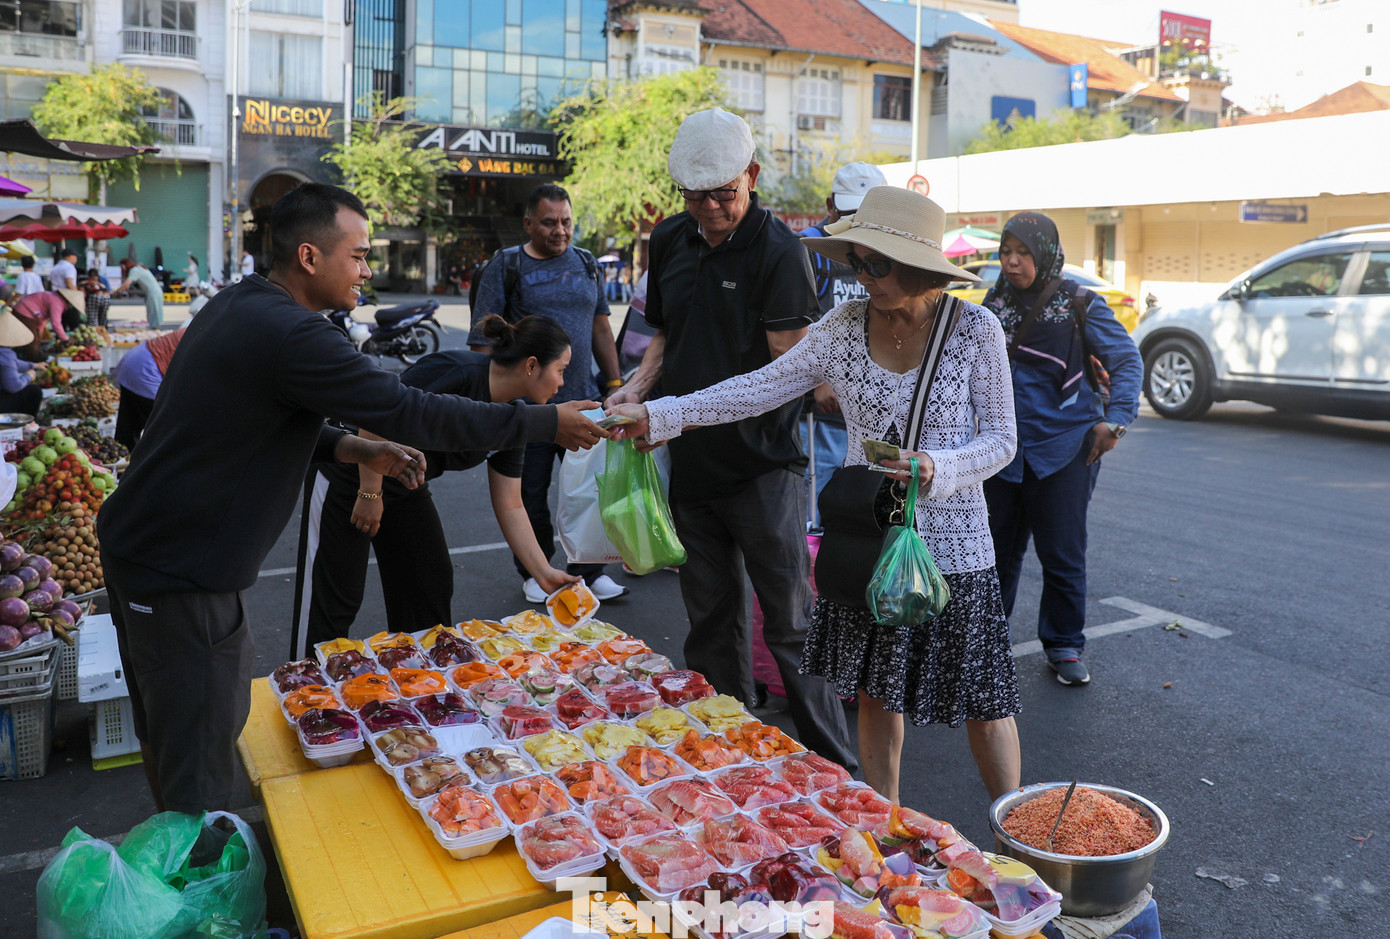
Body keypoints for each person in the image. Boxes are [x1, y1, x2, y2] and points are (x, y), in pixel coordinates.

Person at [96, 182, 609, 815]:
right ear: (310, 257)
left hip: (150, 550)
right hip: (178, 569)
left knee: (175, 735)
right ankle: (198, 899)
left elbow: (253, 421)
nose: (368, 270)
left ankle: (179, 869)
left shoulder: (245, 305)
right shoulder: (293, 333)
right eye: (360, 255)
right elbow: (407, 409)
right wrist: (546, 423)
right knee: (197, 755)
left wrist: (356, 449)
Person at [609, 186, 1021, 801]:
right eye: (856, 260)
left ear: (918, 266)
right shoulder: (842, 328)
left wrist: (937, 466)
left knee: (984, 703)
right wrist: (660, 416)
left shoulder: (975, 330)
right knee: (877, 695)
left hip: (955, 549)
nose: (862, 276)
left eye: (875, 264)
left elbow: (1001, 441)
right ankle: (883, 834)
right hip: (866, 544)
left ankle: (1015, 838)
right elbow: (757, 388)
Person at [608, 107, 856, 771]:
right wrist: (638, 388)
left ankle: (836, 766)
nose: (712, 212)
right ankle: (728, 757)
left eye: (725, 196)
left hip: (765, 468)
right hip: (691, 466)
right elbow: (666, 335)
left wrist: (677, 412)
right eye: (697, 199)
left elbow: (787, 371)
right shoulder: (669, 242)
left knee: (791, 625)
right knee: (710, 623)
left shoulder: (781, 251)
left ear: (751, 177)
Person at [290, 315, 584, 658]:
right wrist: (370, 492)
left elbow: (511, 504)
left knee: (429, 583)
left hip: (404, 484)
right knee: (335, 599)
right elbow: (377, 414)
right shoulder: (456, 371)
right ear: (532, 365)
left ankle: (419, 686)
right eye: (561, 370)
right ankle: (303, 687)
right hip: (351, 470)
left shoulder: (516, 418)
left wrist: (544, 572)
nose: (563, 383)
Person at [981, 212, 1142, 688]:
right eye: (1006, 252)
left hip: (1064, 449)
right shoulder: (994, 303)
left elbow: (1126, 359)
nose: (1012, 262)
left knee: (1063, 553)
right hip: (1002, 451)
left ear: (1045, 254)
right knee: (995, 555)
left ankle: (1064, 644)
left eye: (1023, 253)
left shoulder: (1080, 302)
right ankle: (987, 641)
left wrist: (1117, 422)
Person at [468, 182, 627, 603]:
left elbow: (599, 326)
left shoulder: (586, 262)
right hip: (530, 407)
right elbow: (484, 340)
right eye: (549, 222)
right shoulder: (507, 265)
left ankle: (590, 572)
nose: (560, 230)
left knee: (590, 491)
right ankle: (537, 571)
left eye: (567, 222)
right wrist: (488, 404)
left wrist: (613, 383)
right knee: (530, 492)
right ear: (528, 224)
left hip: (584, 398)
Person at [799, 161, 888, 505]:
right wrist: (821, 379)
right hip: (821, 421)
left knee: (873, 512)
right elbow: (794, 325)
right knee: (814, 514)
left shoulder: (889, 250)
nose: (856, 226)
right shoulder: (808, 249)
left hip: (875, 413)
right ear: (830, 206)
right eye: (849, 214)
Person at [111, 327, 187, 448]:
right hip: (146, 370)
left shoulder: (204, 326)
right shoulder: (210, 337)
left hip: (134, 360)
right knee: (162, 431)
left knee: (128, 428)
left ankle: (124, 461)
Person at [0, 308, 42, 416]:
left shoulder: (5, 356)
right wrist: (29, 376)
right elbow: (13, 386)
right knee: (34, 391)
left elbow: (11, 363)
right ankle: (23, 426)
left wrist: (34, 365)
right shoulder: (5, 353)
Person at [11, 289, 77, 345]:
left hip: (23, 309)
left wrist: (39, 332)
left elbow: (43, 318)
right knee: (32, 342)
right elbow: (56, 323)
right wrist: (65, 339)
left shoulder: (55, 297)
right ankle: (34, 360)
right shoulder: (57, 303)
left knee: (33, 339)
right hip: (24, 311)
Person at [116, 259, 164, 328]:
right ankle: (155, 330)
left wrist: (114, 292)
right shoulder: (139, 268)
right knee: (154, 313)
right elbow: (128, 285)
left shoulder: (135, 270)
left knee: (154, 314)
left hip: (153, 292)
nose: (122, 269)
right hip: (156, 291)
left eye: (122, 266)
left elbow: (126, 284)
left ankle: (155, 332)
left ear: (125, 265)